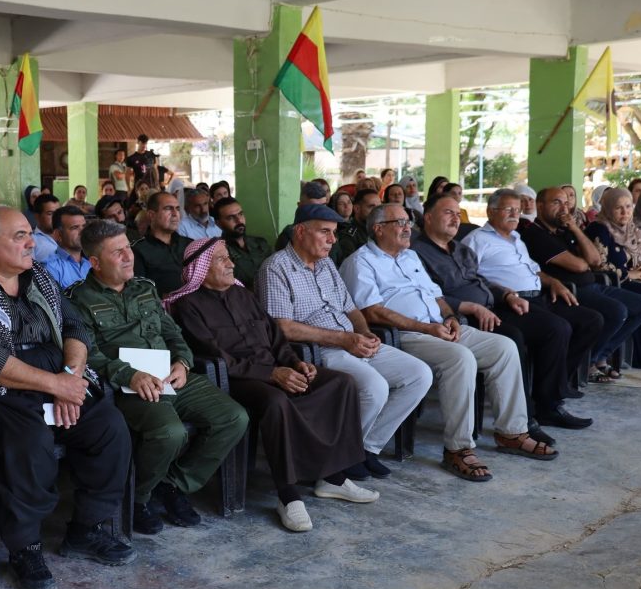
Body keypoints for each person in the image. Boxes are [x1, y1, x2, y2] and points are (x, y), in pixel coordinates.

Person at [0, 206, 136, 589]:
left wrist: (71, 379)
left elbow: (75, 327)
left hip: (56, 375)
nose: (31, 243)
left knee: (108, 427)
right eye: (19, 235)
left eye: (29, 234)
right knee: (28, 442)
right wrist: (57, 385)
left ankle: (86, 529)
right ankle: (25, 547)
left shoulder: (39, 279)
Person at [167, 237, 377, 531]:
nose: (231, 263)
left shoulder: (244, 296)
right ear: (200, 269)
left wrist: (294, 363)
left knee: (341, 384)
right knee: (276, 401)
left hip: (276, 368)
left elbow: (276, 338)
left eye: (229, 257)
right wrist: (271, 374)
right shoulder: (188, 305)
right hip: (237, 380)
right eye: (221, 259)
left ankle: (333, 476)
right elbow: (216, 357)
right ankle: (288, 495)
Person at [340, 203, 555, 482]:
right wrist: (426, 327)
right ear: (378, 229)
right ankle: (458, 448)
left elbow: (436, 296)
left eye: (409, 222)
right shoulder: (360, 262)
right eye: (400, 222)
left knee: (504, 347)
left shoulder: (410, 257)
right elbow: (372, 311)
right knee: (459, 357)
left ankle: (511, 432)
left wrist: (450, 316)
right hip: (405, 334)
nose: (408, 228)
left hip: (439, 327)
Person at [67, 222, 249, 534]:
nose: (128, 257)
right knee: (169, 432)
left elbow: (172, 334)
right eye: (117, 252)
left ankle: (173, 484)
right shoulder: (75, 300)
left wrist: (182, 362)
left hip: (169, 374)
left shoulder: (145, 289)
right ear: (95, 262)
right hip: (126, 385)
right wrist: (130, 374)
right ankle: (138, 499)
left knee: (233, 417)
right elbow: (89, 353)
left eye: (128, 248)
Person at [259, 204, 431, 479]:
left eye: (335, 233)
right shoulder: (277, 267)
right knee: (374, 388)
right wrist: (343, 339)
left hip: (350, 340)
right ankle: (340, 457)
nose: (333, 239)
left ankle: (365, 448)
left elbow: (351, 309)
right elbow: (283, 328)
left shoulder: (326, 263)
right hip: (318, 351)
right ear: (300, 232)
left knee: (419, 374)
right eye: (325, 232)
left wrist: (364, 333)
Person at [416, 192, 597, 436]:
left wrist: (507, 295)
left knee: (558, 327)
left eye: (458, 214)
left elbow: (480, 281)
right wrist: (468, 306)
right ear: (428, 218)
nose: (455, 219)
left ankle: (549, 404)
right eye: (448, 213)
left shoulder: (459, 249)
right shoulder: (417, 253)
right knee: (515, 337)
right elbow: (427, 294)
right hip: (463, 318)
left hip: (497, 304)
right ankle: (526, 417)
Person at [521, 187, 641, 382]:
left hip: (594, 284)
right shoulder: (535, 233)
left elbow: (594, 261)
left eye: (566, 203)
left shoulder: (564, 231)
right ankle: (588, 363)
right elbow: (579, 265)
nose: (563, 208)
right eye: (556, 202)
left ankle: (599, 356)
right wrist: (584, 262)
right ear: (540, 206)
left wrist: (574, 228)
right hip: (570, 290)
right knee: (617, 311)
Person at [586, 188, 641, 369]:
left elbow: (629, 259)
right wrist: (630, 273)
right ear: (607, 208)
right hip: (610, 282)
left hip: (626, 279)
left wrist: (639, 269)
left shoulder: (628, 229)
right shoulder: (599, 228)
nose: (625, 212)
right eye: (618, 208)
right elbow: (600, 265)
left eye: (628, 207)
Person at [131, 192, 192, 296]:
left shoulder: (189, 244)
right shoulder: (138, 250)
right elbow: (138, 291)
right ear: (151, 215)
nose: (175, 214)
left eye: (177, 208)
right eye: (168, 208)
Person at [213, 197, 270, 289]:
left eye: (240, 214)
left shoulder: (261, 243)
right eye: (231, 218)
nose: (239, 221)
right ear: (218, 223)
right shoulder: (219, 251)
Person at [43, 205, 91, 288]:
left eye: (84, 226)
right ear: (58, 235)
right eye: (75, 227)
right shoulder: (50, 268)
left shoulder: (92, 262)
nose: (82, 232)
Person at [329, 188, 379, 264]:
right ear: (357, 208)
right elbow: (350, 265)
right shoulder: (349, 236)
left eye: (379, 207)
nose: (377, 211)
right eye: (371, 206)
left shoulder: (384, 229)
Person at [31, 193, 60, 263]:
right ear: (37, 216)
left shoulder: (67, 235)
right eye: (50, 214)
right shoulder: (32, 241)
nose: (56, 217)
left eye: (58, 213)